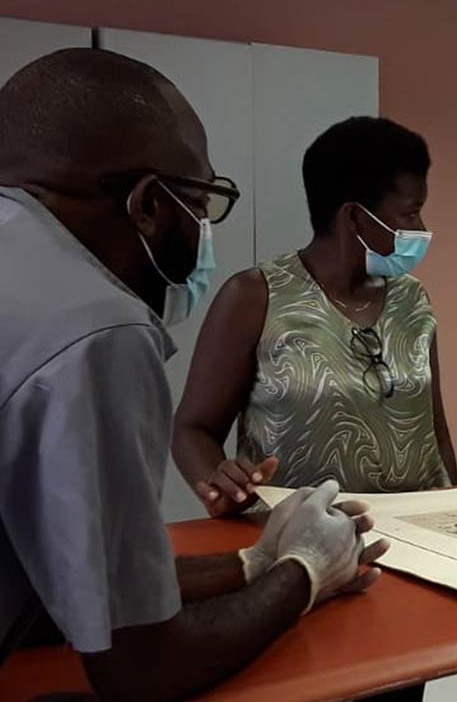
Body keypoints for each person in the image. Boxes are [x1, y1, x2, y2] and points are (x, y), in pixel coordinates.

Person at [0, 49, 385, 700]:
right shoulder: (96, 326)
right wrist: (305, 570)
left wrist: (254, 561)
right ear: (148, 205)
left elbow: (61, 580)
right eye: (204, 201)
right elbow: (142, 667)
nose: (205, 229)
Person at [173, 116, 457, 519]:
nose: (422, 228)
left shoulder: (412, 299)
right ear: (355, 218)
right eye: (411, 214)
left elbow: (435, 433)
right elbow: (192, 428)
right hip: (296, 543)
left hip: (419, 538)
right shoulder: (255, 297)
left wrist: (455, 513)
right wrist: (220, 480)